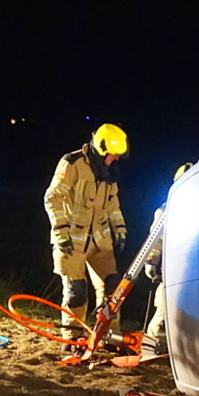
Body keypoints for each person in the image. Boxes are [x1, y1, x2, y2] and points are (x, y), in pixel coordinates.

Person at [44, 123, 129, 341]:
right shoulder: (72, 163)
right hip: (71, 241)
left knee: (113, 289)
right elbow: (52, 198)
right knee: (76, 291)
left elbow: (113, 204)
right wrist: (61, 231)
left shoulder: (109, 171)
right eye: (113, 154)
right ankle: (72, 338)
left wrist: (119, 229)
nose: (116, 158)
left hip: (100, 240)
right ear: (101, 149)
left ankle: (109, 335)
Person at [142, 162, 193, 354]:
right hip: (172, 270)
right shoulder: (165, 210)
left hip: (195, 270)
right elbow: (155, 240)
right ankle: (150, 349)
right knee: (164, 312)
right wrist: (151, 262)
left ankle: (179, 352)